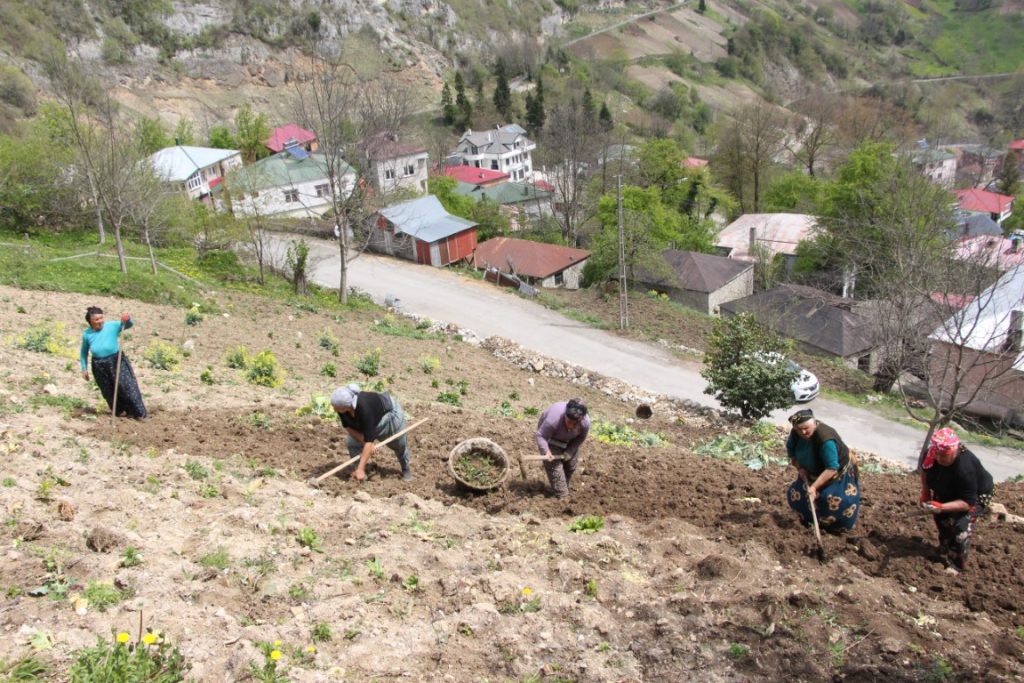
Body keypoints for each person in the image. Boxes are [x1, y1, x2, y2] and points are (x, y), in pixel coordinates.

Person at [919, 427, 994, 573]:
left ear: (954, 451)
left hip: (975, 495)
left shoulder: (965, 469)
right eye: (937, 454)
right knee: (942, 519)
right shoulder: (931, 455)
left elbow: (967, 503)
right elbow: (925, 471)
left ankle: (957, 565)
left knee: (960, 527)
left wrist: (942, 506)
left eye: (943, 455)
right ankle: (944, 549)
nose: (939, 458)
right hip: (947, 488)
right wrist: (925, 492)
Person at [786, 409, 860, 533]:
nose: (803, 432)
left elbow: (831, 468)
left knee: (834, 501)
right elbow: (791, 450)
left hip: (835, 474)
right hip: (810, 472)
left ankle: (836, 529)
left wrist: (814, 487)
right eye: (799, 429)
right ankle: (808, 521)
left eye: (806, 428)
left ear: (814, 423)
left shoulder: (825, 440)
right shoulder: (796, 433)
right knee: (798, 495)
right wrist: (800, 467)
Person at [331, 383, 411, 481]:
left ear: (347, 406)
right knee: (352, 443)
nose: (334, 409)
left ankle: (405, 468)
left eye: (336, 407)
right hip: (368, 419)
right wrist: (363, 441)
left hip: (389, 414)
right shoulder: (342, 410)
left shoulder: (364, 407)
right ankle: (361, 472)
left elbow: (369, 441)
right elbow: (348, 426)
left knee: (399, 443)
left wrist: (368, 444)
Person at [80, 306, 148, 420]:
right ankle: (120, 412)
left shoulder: (112, 326)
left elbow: (128, 325)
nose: (100, 321)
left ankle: (139, 413)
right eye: (96, 319)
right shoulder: (87, 334)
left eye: (101, 318)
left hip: (116, 360)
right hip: (99, 365)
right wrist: (84, 369)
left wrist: (127, 319)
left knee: (127, 386)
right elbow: (83, 352)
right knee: (108, 390)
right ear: (90, 321)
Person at [535, 399, 591, 499]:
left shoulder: (585, 423)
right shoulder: (553, 420)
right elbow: (541, 435)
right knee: (555, 467)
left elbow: (580, 438)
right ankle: (562, 494)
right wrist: (546, 451)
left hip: (570, 439)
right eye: (569, 422)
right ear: (565, 414)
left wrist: (570, 451)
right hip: (551, 436)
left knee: (571, 465)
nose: (571, 426)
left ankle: (563, 486)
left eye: (575, 424)